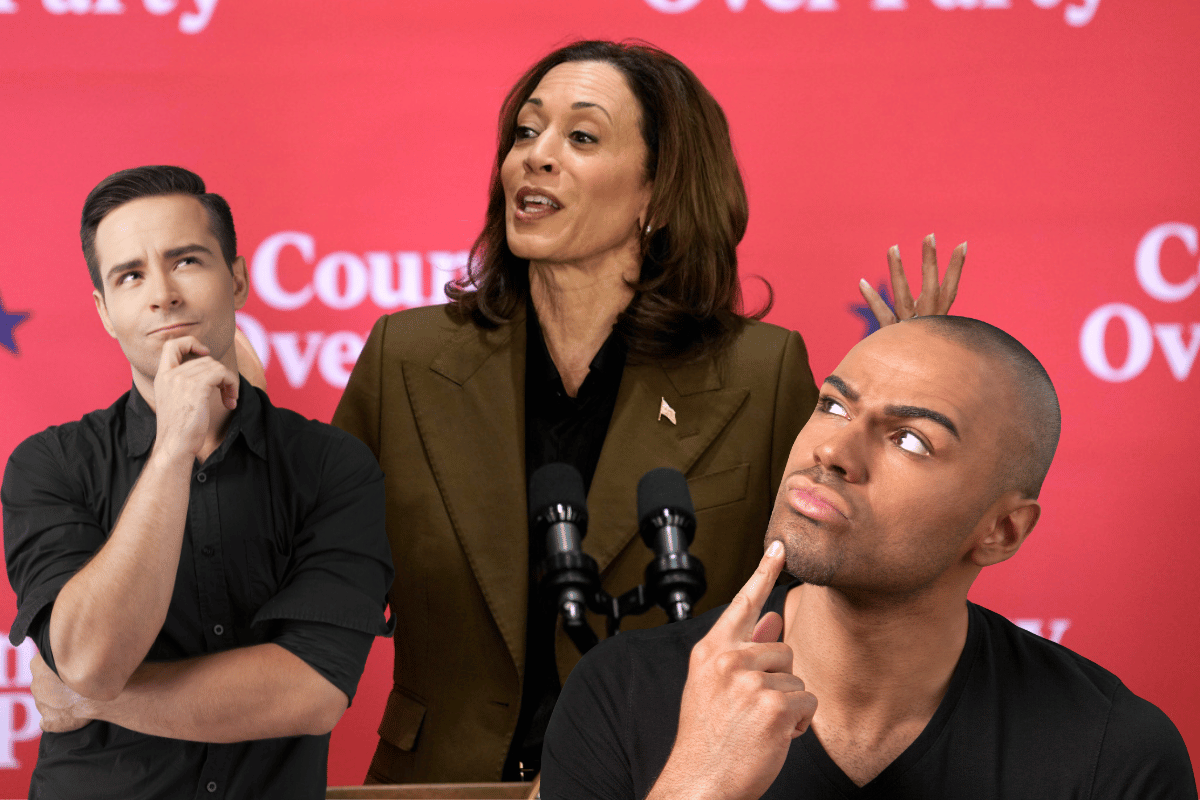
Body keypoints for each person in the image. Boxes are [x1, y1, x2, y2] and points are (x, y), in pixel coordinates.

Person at [333, 38, 965, 783]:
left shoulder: (760, 375)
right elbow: (313, 571)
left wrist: (896, 424)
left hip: (673, 778)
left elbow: (829, 603)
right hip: (440, 782)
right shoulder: (405, 359)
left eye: (581, 136)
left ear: (658, 194)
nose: (534, 157)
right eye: (526, 132)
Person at [541, 316, 1197, 800]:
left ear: (1001, 530)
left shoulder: (1112, 752)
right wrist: (698, 785)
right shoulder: (621, 694)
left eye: (910, 440)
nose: (832, 450)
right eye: (832, 405)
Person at [2, 165, 394, 799]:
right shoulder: (49, 465)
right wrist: (173, 447)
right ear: (105, 312)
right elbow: (92, 658)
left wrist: (96, 700)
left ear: (236, 279)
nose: (162, 295)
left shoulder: (333, 466)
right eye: (130, 276)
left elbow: (312, 690)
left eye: (186, 261)